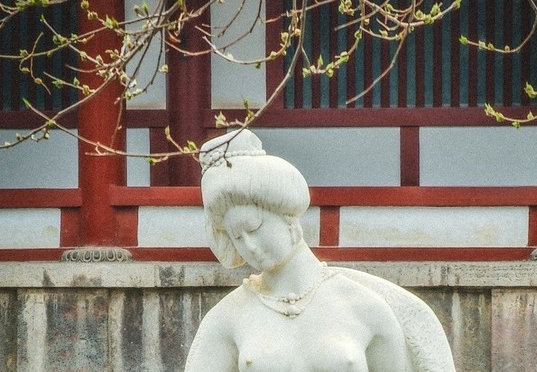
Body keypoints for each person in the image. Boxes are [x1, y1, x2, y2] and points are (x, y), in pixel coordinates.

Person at [185, 129, 454, 372]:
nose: (250, 246)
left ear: (286, 213)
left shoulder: (365, 306)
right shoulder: (228, 318)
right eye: (237, 238)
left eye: (254, 227)